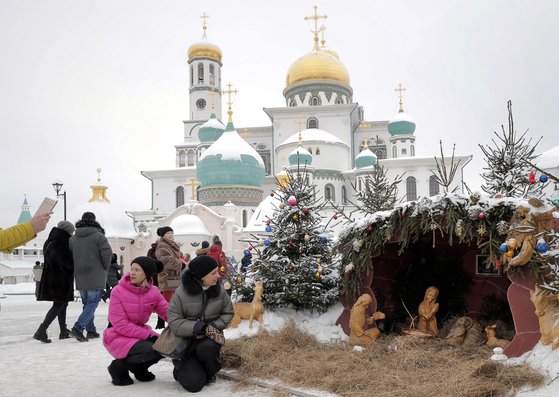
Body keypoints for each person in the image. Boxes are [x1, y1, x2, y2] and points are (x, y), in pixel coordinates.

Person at [168, 255, 234, 392]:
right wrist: (196, 327)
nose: (218, 275)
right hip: (185, 342)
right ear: (201, 276)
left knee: (208, 348)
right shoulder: (180, 294)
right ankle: (183, 369)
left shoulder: (220, 291)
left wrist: (211, 327)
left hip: (208, 340)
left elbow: (228, 313)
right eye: (213, 273)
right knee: (194, 385)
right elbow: (174, 321)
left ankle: (205, 371)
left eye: (217, 271)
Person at [103, 256, 169, 386]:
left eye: (137, 270)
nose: (132, 272)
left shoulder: (153, 291)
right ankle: (118, 367)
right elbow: (120, 325)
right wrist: (149, 336)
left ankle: (139, 368)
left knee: (167, 346)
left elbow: (168, 313)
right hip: (116, 335)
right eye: (132, 269)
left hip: (138, 334)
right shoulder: (117, 291)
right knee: (152, 348)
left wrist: (183, 325)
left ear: (147, 274)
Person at [69, 212, 112, 342]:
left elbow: (71, 256)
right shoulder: (99, 236)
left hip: (80, 274)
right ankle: (78, 328)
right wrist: (105, 268)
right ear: (94, 221)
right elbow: (107, 254)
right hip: (95, 273)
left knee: (86, 303)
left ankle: (91, 330)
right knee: (92, 303)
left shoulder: (73, 239)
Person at [33, 221, 76, 343]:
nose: (72, 234)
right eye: (71, 232)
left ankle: (63, 331)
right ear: (67, 231)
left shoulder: (51, 240)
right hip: (60, 278)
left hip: (52, 277)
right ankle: (41, 330)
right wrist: (73, 265)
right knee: (59, 304)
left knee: (62, 303)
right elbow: (63, 261)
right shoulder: (61, 242)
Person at [154, 226, 182, 303]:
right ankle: (166, 315)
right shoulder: (163, 245)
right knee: (168, 303)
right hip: (167, 277)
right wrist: (180, 263)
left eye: (172, 233)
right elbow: (166, 261)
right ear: (163, 235)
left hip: (173, 277)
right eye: (168, 233)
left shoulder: (170, 244)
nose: (171, 235)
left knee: (173, 302)